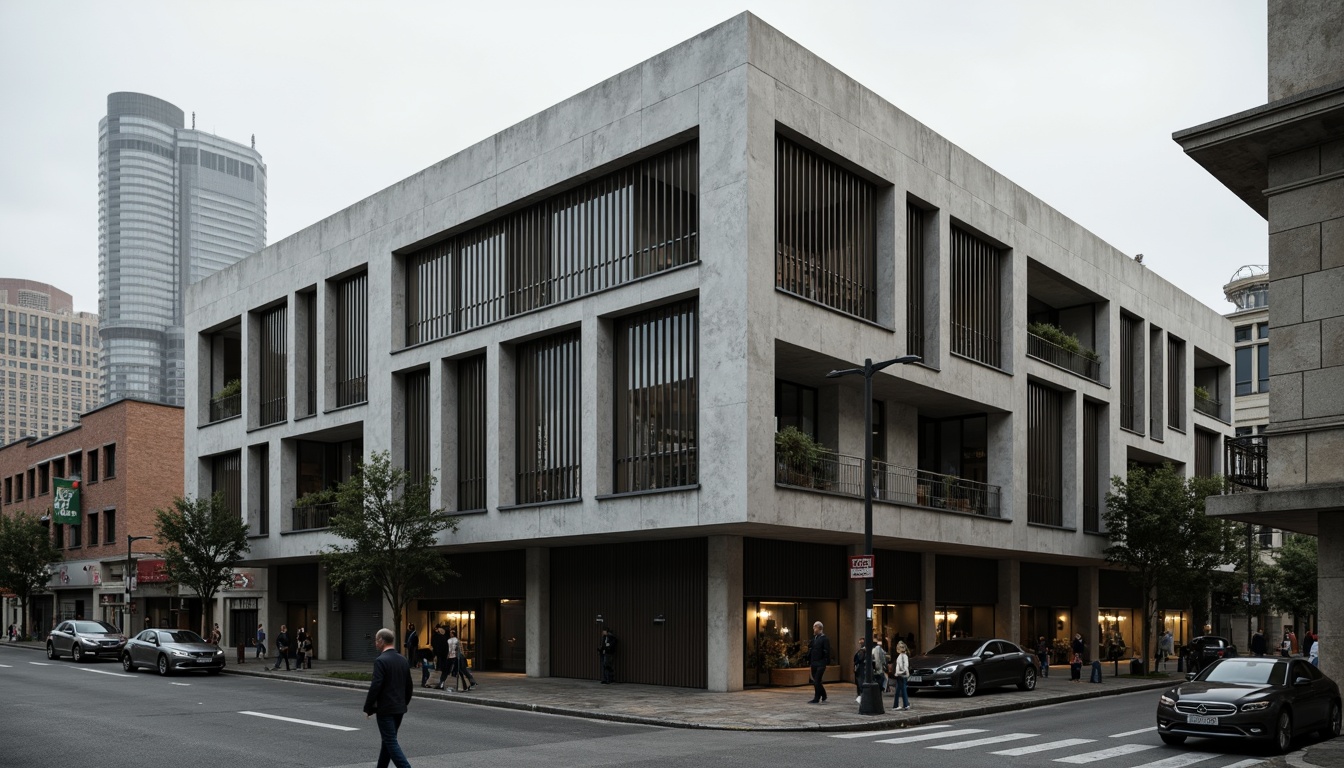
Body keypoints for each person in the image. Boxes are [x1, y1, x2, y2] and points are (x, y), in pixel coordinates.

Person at [363, 627, 413, 768]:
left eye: (376, 640)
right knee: (388, 741)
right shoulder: (403, 660)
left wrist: (368, 707)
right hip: (399, 708)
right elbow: (409, 686)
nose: (375, 643)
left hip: (385, 709)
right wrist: (404, 703)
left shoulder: (381, 660)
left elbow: (376, 685)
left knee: (390, 741)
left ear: (381, 641)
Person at [807, 621, 830, 704]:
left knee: (817, 681)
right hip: (814, 663)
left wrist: (824, 661)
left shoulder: (824, 639)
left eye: (815, 627)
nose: (813, 628)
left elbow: (826, 651)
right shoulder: (814, 639)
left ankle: (816, 698)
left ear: (819, 628)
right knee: (816, 681)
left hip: (821, 663)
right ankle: (824, 695)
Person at [892, 640, 911, 711]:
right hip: (902, 674)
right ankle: (905, 704)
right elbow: (905, 666)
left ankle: (896, 705)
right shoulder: (904, 656)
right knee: (903, 690)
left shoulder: (900, 656)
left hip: (899, 674)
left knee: (898, 690)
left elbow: (901, 666)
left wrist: (898, 672)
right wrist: (905, 673)